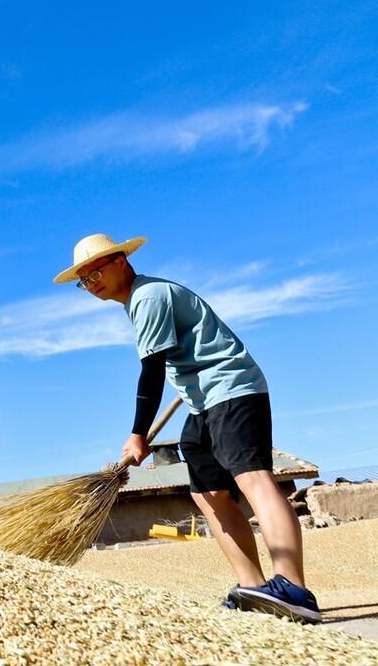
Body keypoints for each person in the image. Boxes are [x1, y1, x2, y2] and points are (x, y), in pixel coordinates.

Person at [54, 234, 320, 624]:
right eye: (84, 279)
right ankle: (254, 588)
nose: (92, 283)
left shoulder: (149, 296)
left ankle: (294, 589)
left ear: (121, 262)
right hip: (202, 403)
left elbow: (152, 371)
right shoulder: (136, 304)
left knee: (254, 479)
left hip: (232, 389)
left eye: (96, 271)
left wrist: (137, 433)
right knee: (208, 495)